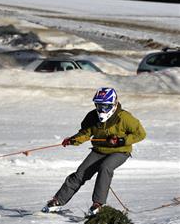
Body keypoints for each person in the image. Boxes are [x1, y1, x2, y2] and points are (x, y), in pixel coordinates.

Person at [44, 87, 146, 215]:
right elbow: (86, 133)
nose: (102, 109)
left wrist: (121, 140)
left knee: (105, 168)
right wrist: (73, 140)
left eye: (105, 106)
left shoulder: (124, 117)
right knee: (80, 173)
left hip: (120, 151)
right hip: (99, 151)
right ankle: (57, 200)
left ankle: (98, 204)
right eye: (99, 105)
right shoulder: (92, 116)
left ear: (114, 104)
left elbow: (140, 134)